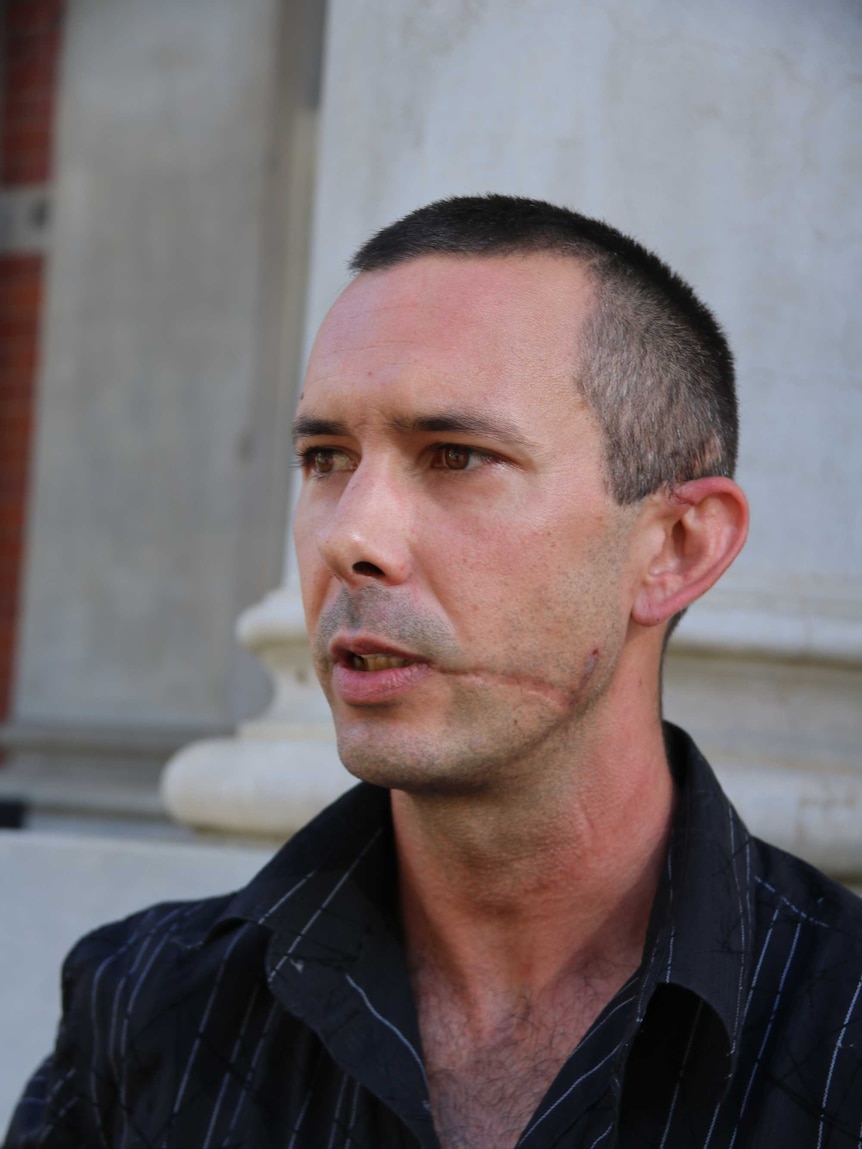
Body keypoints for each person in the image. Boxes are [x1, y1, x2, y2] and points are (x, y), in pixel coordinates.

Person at [6, 196, 862, 1149]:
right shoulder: (144, 1012)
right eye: (326, 457)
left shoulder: (839, 1030)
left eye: (456, 456)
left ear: (674, 545)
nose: (351, 535)